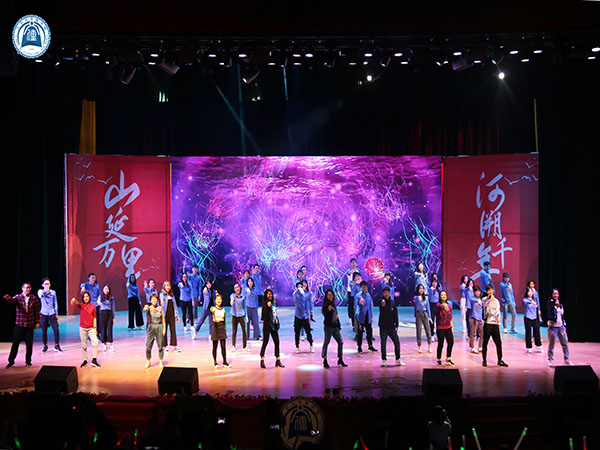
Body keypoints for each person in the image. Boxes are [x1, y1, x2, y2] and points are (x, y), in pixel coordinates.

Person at [4, 282, 40, 368]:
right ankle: (11, 361)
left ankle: (28, 361)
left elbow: (37, 311)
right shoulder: (18, 297)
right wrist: (8, 298)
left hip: (29, 325)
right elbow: (12, 301)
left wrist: (37, 322)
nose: (28, 289)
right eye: (26, 288)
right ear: (22, 288)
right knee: (15, 343)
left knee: (29, 344)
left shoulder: (34, 298)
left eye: (29, 288)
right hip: (19, 324)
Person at [481, 285, 508, 367]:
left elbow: (497, 313)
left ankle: (500, 360)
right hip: (488, 323)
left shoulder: (496, 301)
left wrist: (498, 323)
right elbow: (485, 312)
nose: (490, 292)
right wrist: (487, 302)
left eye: (491, 290)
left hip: (495, 324)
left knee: (498, 343)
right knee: (485, 342)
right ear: (487, 291)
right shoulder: (484, 300)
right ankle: (484, 360)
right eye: (488, 290)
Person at [71, 293, 100, 368]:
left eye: (87, 296)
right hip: (82, 328)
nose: (85, 298)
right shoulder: (81, 306)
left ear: (89, 297)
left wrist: (95, 328)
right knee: (84, 345)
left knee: (95, 342)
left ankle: (94, 360)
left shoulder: (93, 307)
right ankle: (85, 360)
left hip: (91, 328)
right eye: (84, 297)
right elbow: (76, 302)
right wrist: (73, 300)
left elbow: (94, 318)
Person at [321, 289, 347, 368]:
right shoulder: (327, 305)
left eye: (331, 295)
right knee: (326, 342)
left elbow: (336, 316)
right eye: (329, 295)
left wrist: (338, 325)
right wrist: (328, 311)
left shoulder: (333, 304)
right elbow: (326, 315)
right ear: (326, 296)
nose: (330, 296)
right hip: (328, 327)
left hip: (335, 327)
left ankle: (340, 358)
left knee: (340, 342)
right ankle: (324, 359)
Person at [547, 289, 573, 367]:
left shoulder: (560, 305)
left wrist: (564, 325)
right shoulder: (550, 303)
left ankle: (566, 359)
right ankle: (550, 359)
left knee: (565, 343)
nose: (556, 295)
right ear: (552, 294)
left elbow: (562, 315)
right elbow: (550, 311)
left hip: (561, 326)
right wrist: (554, 304)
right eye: (554, 294)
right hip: (553, 327)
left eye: (557, 294)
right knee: (551, 344)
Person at [379, 287, 404, 367]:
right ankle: (384, 359)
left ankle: (398, 359)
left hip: (391, 327)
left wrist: (396, 325)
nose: (386, 294)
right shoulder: (381, 301)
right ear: (383, 293)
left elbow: (395, 314)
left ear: (390, 293)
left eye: (388, 292)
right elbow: (381, 308)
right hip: (383, 327)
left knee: (397, 342)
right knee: (383, 344)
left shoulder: (392, 302)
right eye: (385, 292)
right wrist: (382, 305)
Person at [260, 289, 284, 368]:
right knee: (265, 342)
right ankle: (262, 359)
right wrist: (268, 304)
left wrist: (276, 319)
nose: (270, 295)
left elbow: (274, 313)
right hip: (267, 326)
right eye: (268, 294)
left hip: (273, 326)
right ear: (266, 295)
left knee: (277, 342)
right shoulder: (265, 302)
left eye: (271, 294)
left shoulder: (273, 303)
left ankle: (278, 360)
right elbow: (266, 308)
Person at [37, 278, 62, 353]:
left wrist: (56, 313)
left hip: (52, 313)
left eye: (48, 284)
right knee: (44, 331)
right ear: (43, 285)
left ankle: (57, 345)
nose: (47, 285)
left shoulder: (53, 293)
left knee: (56, 329)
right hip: (44, 313)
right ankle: (45, 345)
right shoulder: (41, 292)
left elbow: (55, 303)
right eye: (45, 284)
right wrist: (42, 292)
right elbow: (39, 294)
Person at [143, 294, 166, 368]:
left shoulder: (160, 308)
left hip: (159, 327)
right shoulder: (149, 308)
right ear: (150, 300)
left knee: (160, 346)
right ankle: (148, 361)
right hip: (151, 327)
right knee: (148, 346)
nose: (154, 300)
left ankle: (161, 361)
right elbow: (145, 308)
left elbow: (163, 319)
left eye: (155, 299)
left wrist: (164, 328)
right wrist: (146, 307)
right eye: (152, 299)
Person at [355, 281, 377, 353]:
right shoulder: (358, 296)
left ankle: (370, 346)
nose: (364, 288)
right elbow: (356, 306)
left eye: (365, 287)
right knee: (360, 333)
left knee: (369, 331)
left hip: (368, 317)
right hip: (361, 317)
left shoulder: (368, 295)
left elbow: (370, 307)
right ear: (360, 288)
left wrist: (371, 317)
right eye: (363, 287)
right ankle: (359, 347)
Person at [160, 281, 181, 352]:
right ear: (164, 287)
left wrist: (177, 316)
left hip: (172, 315)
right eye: (166, 286)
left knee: (173, 330)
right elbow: (161, 299)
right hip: (165, 315)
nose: (168, 287)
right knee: (164, 330)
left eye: (169, 286)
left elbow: (175, 306)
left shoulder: (172, 295)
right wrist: (162, 301)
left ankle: (175, 346)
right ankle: (165, 346)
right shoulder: (162, 294)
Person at [293, 281, 314, 353]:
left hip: (305, 316)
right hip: (298, 316)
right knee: (297, 332)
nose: (300, 288)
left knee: (308, 332)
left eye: (301, 286)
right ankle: (297, 346)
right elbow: (294, 295)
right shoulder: (296, 295)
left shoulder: (306, 294)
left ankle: (311, 345)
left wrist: (309, 313)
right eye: (299, 287)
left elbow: (309, 303)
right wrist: (298, 290)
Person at [435, 291, 454, 366]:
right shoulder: (438, 305)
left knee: (451, 342)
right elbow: (438, 312)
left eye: (445, 295)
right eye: (442, 295)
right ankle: (439, 359)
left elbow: (450, 316)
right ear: (440, 297)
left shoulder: (449, 305)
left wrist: (451, 326)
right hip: (440, 327)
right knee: (441, 343)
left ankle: (448, 358)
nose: (444, 296)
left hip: (448, 327)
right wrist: (443, 306)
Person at [210, 294, 229, 367]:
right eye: (217, 299)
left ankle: (224, 361)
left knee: (223, 346)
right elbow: (211, 309)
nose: (219, 300)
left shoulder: (223, 310)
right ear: (215, 300)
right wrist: (212, 310)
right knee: (215, 346)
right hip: (215, 327)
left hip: (222, 327)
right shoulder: (213, 308)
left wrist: (225, 329)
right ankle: (215, 361)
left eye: (220, 299)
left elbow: (224, 321)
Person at [523, 286, 542, 354]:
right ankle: (529, 347)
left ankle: (538, 346)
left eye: (531, 292)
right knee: (528, 332)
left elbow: (537, 303)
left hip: (534, 317)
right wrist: (531, 302)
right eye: (529, 292)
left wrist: (534, 294)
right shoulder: (525, 299)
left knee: (537, 331)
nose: (530, 293)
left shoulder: (535, 299)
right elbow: (526, 302)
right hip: (528, 317)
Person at [414, 284, 433, 354]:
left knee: (428, 331)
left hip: (425, 314)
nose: (421, 290)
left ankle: (429, 346)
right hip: (418, 314)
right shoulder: (416, 298)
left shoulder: (426, 298)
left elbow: (428, 308)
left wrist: (430, 317)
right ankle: (419, 346)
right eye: (420, 288)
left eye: (422, 288)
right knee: (418, 331)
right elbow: (416, 304)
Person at [230, 283, 249, 352]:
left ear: (240, 288)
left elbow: (244, 307)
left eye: (237, 287)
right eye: (235, 288)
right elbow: (231, 301)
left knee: (244, 331)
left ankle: (245, 346)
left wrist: (246, 316)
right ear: (234, 290)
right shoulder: (233, 295)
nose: (237, 289)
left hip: (241, 315)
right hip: (234, 315)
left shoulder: (243, 296)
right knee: (234, 331)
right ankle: (233, 346)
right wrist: (232, 301)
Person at [97, 284, 116, 352]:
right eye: (105, 289)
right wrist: (99, 302)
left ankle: (110, 344)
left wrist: (114, 317)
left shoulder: (111, 297)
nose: (106, 290)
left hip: (109, 313)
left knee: (110, 329)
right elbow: (98, 301)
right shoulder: (100, 297)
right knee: (103, 329)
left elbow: (113, 308)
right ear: (103, 290)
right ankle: (104, 345)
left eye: (107, 289)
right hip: (103, 313)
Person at [469, 286, 484, 353]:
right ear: (474, 292)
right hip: (474, 318)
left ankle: (480, 346)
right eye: (476, 291)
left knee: (482, 333)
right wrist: (477, 300)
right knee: (473, 333)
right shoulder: (472, 298)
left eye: (479, 291)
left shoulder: (480, 300)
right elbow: (471, 300)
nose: (478, 293)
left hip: (480, 318)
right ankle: (472, 347)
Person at [245, 275, 261, 340]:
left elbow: (255, 296)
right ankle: (246, 336)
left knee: (255, 322)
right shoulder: (246, 289)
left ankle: (257, 335)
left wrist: (256, 307)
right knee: (247, 322)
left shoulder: (255, 289)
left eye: (251, 281)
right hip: (248, 307)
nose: (250, 282)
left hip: (254, 307)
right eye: (249, 281)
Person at [346, 258, 359, 327]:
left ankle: (356, 317)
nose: (354, 264)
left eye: (355, 262)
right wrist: (353, 270)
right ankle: (350, 317)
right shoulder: (349, 270)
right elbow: (349, 273)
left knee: (356, 304)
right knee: (350, 304)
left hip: (357, 290)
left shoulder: (358, 270)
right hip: (350, 290)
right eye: (352, 262)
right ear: (350, 264)